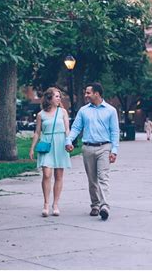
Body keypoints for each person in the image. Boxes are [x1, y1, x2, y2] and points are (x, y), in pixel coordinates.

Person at [65, 82, 120, 221]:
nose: (86, 95)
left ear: (97, 93)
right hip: (88, 148)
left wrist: (114, 150)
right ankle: (95, 205)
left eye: (88, 93)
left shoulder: (110, 110)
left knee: (103, 177)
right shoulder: (83, 110)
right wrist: (69, 140)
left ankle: (104, 206)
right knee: (92, 180)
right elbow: (76, 128)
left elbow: (114, 131)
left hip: (104, 147)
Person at [29, 87, 71, 217]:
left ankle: (56, 204)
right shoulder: (41, 114)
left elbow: (67, 130)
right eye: (57, 96)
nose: (59, 98)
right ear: (49, 98)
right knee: (47, 174)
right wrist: (32, 148)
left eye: (59, 96)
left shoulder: (63, 112)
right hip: (46, 144)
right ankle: (46, 203)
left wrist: (68, 142)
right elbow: (37, 132)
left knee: (59, 176)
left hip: (60, 144)